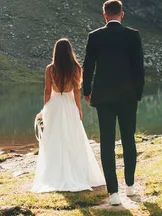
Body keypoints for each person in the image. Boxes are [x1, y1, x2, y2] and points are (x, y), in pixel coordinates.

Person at [82, 0, 145, 206]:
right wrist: (138, 93)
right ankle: (130, 185)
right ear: (122, 14)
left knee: (107, 143)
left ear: (105, 15)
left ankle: (113, 193)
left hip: (104, 97)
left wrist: (87, 90)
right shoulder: (133, 35)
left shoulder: (95, 36)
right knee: (129, 139)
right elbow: (139, 68)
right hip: (128, 96)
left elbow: (88, 65)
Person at [31, 38, 106, 192]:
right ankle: (77, 171)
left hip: (55, 105)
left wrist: (45, 107)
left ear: (56, 52)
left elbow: (47, 90)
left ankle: (55, 172)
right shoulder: (76, 68)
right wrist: (79, 109)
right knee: (73, 138)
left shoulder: (50, 69)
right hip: (70, 105)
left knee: (54, 138)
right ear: (70, 51)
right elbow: (77, 90)